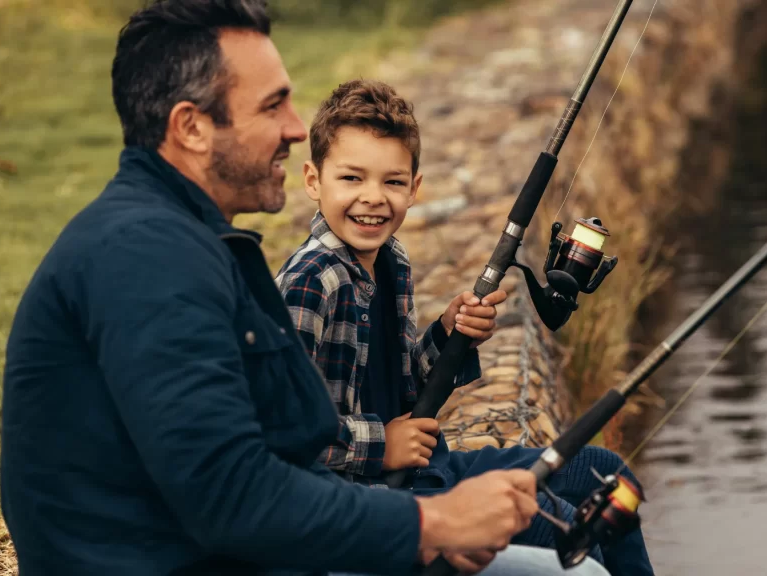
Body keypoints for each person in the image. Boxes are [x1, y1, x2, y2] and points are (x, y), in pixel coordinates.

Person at [0, 1, 611, 575]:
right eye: (273, 106)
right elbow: (233, 493)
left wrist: (445, 348)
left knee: (594, 480)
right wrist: (433, 520)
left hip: (259, 545)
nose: (296, 129)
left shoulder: (186, 242)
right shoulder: (147, 260)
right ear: (191, 128)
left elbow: (279, 443)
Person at [274, 79, 655, 576]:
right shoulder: (309, 284)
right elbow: (281, 431)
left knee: (605, 474)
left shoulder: (391, 258)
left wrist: (451, 333)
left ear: (415, 188)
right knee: (557, 524)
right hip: (369, 502)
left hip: (426, 471)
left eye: (392, 182)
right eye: (351, 178)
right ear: (312, 180)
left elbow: (405, 386)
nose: (373, 198)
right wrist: (380, 444)